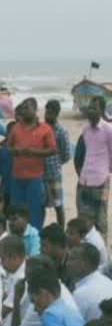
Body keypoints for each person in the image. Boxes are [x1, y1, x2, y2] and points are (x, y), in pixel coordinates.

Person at [8, 97, 57, 230]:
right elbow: (9, 147)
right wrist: (15, 151)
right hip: (17, 178)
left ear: (35, 110)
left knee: (35, 215)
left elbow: (53, 150)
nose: (23, 110)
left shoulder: (45, 129)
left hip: (35, 179)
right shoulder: (16, 128)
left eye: (27, 108)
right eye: (22, 108)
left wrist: (34, 152)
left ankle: (36, 242)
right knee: (17, 214)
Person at [75, 95, 112, 239]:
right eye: (89, 107)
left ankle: (103, 255)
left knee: (100, 221)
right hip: (84, 180)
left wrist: (106, 172)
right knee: (83, 220)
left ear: (102, 110)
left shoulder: (108, 129)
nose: (90, 110)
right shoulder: (85, 130)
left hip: (101, 181)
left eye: (94, 108)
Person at [43, 99, 72, 228]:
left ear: (57, 113)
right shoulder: (40, 129)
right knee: (40, 205)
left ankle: (61, 230)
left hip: (54, 174)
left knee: (58, 205)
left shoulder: (61, 131)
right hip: (40, 174)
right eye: (46, 111)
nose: (47, 114)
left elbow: (66, 155)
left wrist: (55, 162)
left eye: (51, 112)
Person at [68, 243, 112, 322]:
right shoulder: (108, 282)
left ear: (84, 264)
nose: (68, 263)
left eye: (72, 259)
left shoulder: (81, 294)